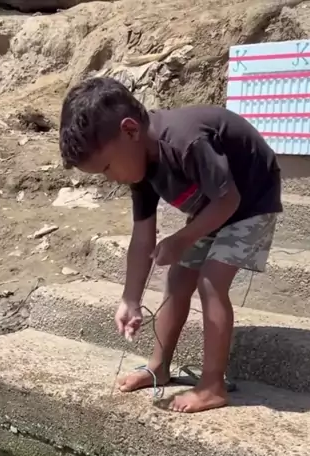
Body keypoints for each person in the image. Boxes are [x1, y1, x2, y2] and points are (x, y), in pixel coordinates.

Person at [59, 77, 282, 413]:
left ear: (130, 130)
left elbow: (229, 200)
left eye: (107, 168)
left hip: (251, 201)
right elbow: (142, 237)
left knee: (211, 281)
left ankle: (212, 385)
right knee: (178, 279)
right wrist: (130, 299)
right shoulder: (140, 164)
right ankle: (158, 367)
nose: (111, 179)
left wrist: (182, 238)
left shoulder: (185, 142)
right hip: (214, 206)